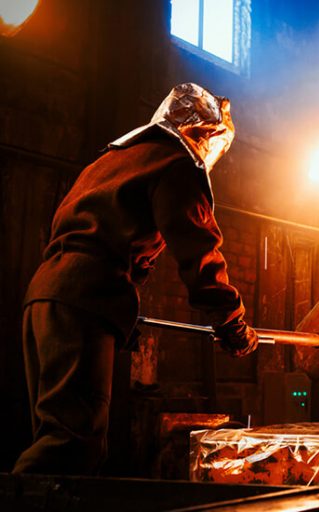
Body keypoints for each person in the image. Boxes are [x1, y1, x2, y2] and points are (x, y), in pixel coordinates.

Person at [13, 83, 259, 474]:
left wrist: (125, 297)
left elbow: (106, 231)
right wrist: (232, 322)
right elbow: (198, 248)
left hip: (46, 294)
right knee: (70, 446)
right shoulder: (176, 163)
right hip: (84, 298)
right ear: (203, 134)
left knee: (58, 434)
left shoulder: (113, 160)